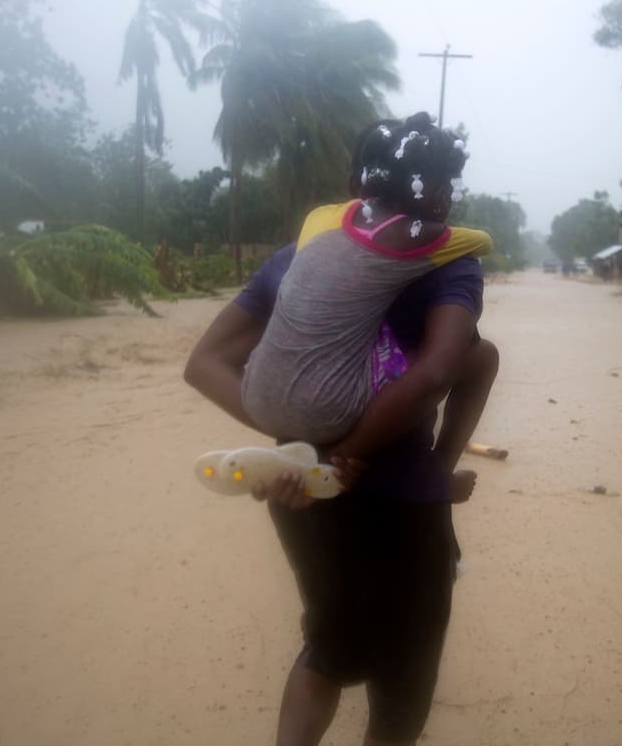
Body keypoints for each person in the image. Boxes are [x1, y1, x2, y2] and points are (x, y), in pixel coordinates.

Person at [184, 125, 499, 745]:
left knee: (327, 649)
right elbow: (443, 366)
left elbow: (206, 363)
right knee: (404, 680)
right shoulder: (445, 262)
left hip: (299, 490)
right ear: (441, 194)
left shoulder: (296, 256)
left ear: (356, 186)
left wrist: (304, 446)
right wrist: (381, 458)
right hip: (403, 501)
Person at [240, 111, 493, 449]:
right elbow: (482, 240)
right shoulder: (429, 243)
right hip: (334, 416)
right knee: (481, 356)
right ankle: (439, 471)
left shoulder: (318, 221)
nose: (449, 199)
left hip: (256, 400)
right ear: (433, 194)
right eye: (446, 189)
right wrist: (350, 453)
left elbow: (202, 363)